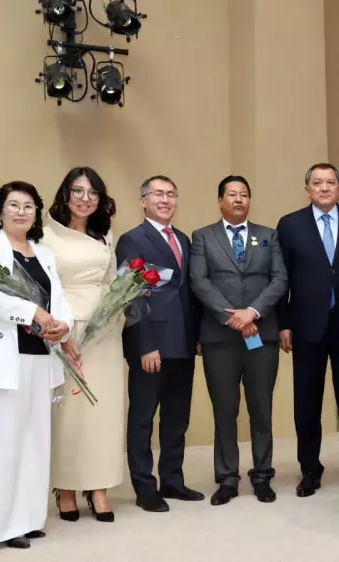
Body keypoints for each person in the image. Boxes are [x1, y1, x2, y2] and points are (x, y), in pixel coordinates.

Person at [0, 181, 74, 548]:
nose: (21, 211)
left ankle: (29, 518)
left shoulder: (44, 253)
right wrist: (33, 313)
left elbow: (58, 298)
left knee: (34, 444)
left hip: (41, 357)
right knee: (1, 446)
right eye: (13, 205)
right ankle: (1, 527)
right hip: (1, 360)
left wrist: (62, 325)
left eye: (29, 206)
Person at [275, 162, 339, 497]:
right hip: (306, 326)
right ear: (308, 190)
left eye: (330, 182)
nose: (324, 188)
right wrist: (284, 323)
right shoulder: (289, 225)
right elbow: (281, 279)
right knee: (307, 400)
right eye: (317, 183)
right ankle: (309, 467)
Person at [189, 175, 288, 505]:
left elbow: (279, 279)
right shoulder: (203, 237)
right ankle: (227, 478)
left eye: (244, 194)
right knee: (225, 409)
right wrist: (232, 317)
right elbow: (199, 281)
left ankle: (262, 476)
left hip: (261, 333)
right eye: (231, 194)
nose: (238, 199)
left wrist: (252, 313)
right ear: (220, 201)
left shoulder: (268, 235)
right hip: (220, 337)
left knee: (261, 408)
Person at [115, 175, 204, 512]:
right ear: (143, 201)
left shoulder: (183, 239)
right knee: (142, 418)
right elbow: (130, 294)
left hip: (183, 342)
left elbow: (189, 291)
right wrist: (145, 344)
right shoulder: (132, 240)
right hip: (150, 345)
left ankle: (172, 480)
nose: (165, 200)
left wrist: (197, 337)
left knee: (177, 418)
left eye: (171, 194)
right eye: (158, 194)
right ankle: (144, 487)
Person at [42, 167, 123, 522]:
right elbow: (44, 287)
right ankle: (67, 488)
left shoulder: (105, 234)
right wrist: (61, 333)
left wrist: (119, 306)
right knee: (69, 413)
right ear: (65, 194)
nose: (85, 199)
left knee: (103, 412)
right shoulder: (46, 235)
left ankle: (99, 488)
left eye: (92, 193)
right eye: (78, 191)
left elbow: (111, 280)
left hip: (105, 332)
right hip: (65, 330)